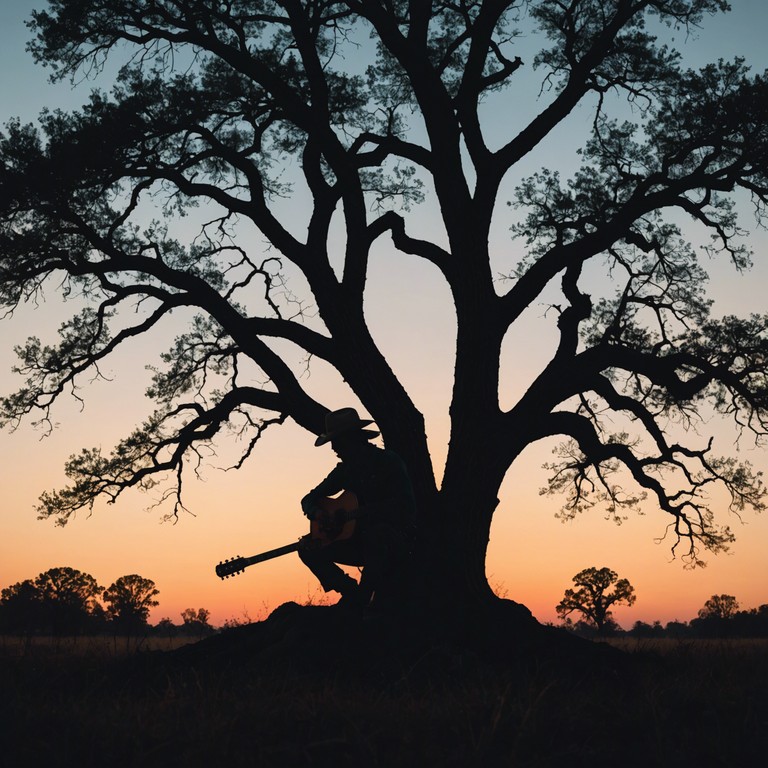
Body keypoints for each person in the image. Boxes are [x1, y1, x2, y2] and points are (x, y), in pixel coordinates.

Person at [299, 407, 416, 611]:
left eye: (337, 442)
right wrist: (319, 514)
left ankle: (364, 600)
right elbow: (309, 499)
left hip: (394, 543)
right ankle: (350, 592)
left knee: (377, 534)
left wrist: (370, 512)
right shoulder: (344, 471)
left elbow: (406, 506)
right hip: (355, 542)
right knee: (306, 547)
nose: (334, 448)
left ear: (351, 439)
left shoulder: (388, 462)